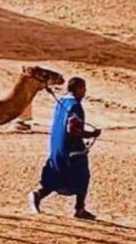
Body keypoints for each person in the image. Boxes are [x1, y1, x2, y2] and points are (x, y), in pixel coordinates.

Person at [29, 76, 101, 219]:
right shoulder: (75, 105)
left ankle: (38, 194)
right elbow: (73, 130)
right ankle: (79, 209)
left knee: (58, 175)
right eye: (83, 88)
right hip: (71, 149)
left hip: (57, 147)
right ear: (79, 88)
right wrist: (91, 134)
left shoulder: (62, 101)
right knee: (82, 176)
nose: (85, 92)